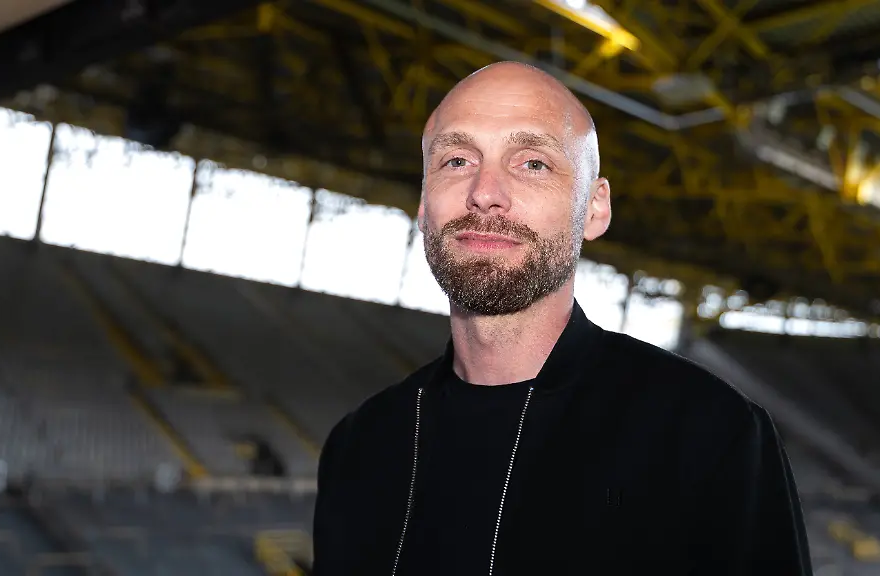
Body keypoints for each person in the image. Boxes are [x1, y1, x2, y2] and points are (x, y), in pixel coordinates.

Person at [312, 61, 813, 576]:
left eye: (532, 164)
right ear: (423, 204)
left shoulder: (710, 433)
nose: (485, 192)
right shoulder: (358, 447)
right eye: (457, 160)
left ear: (595, 208)